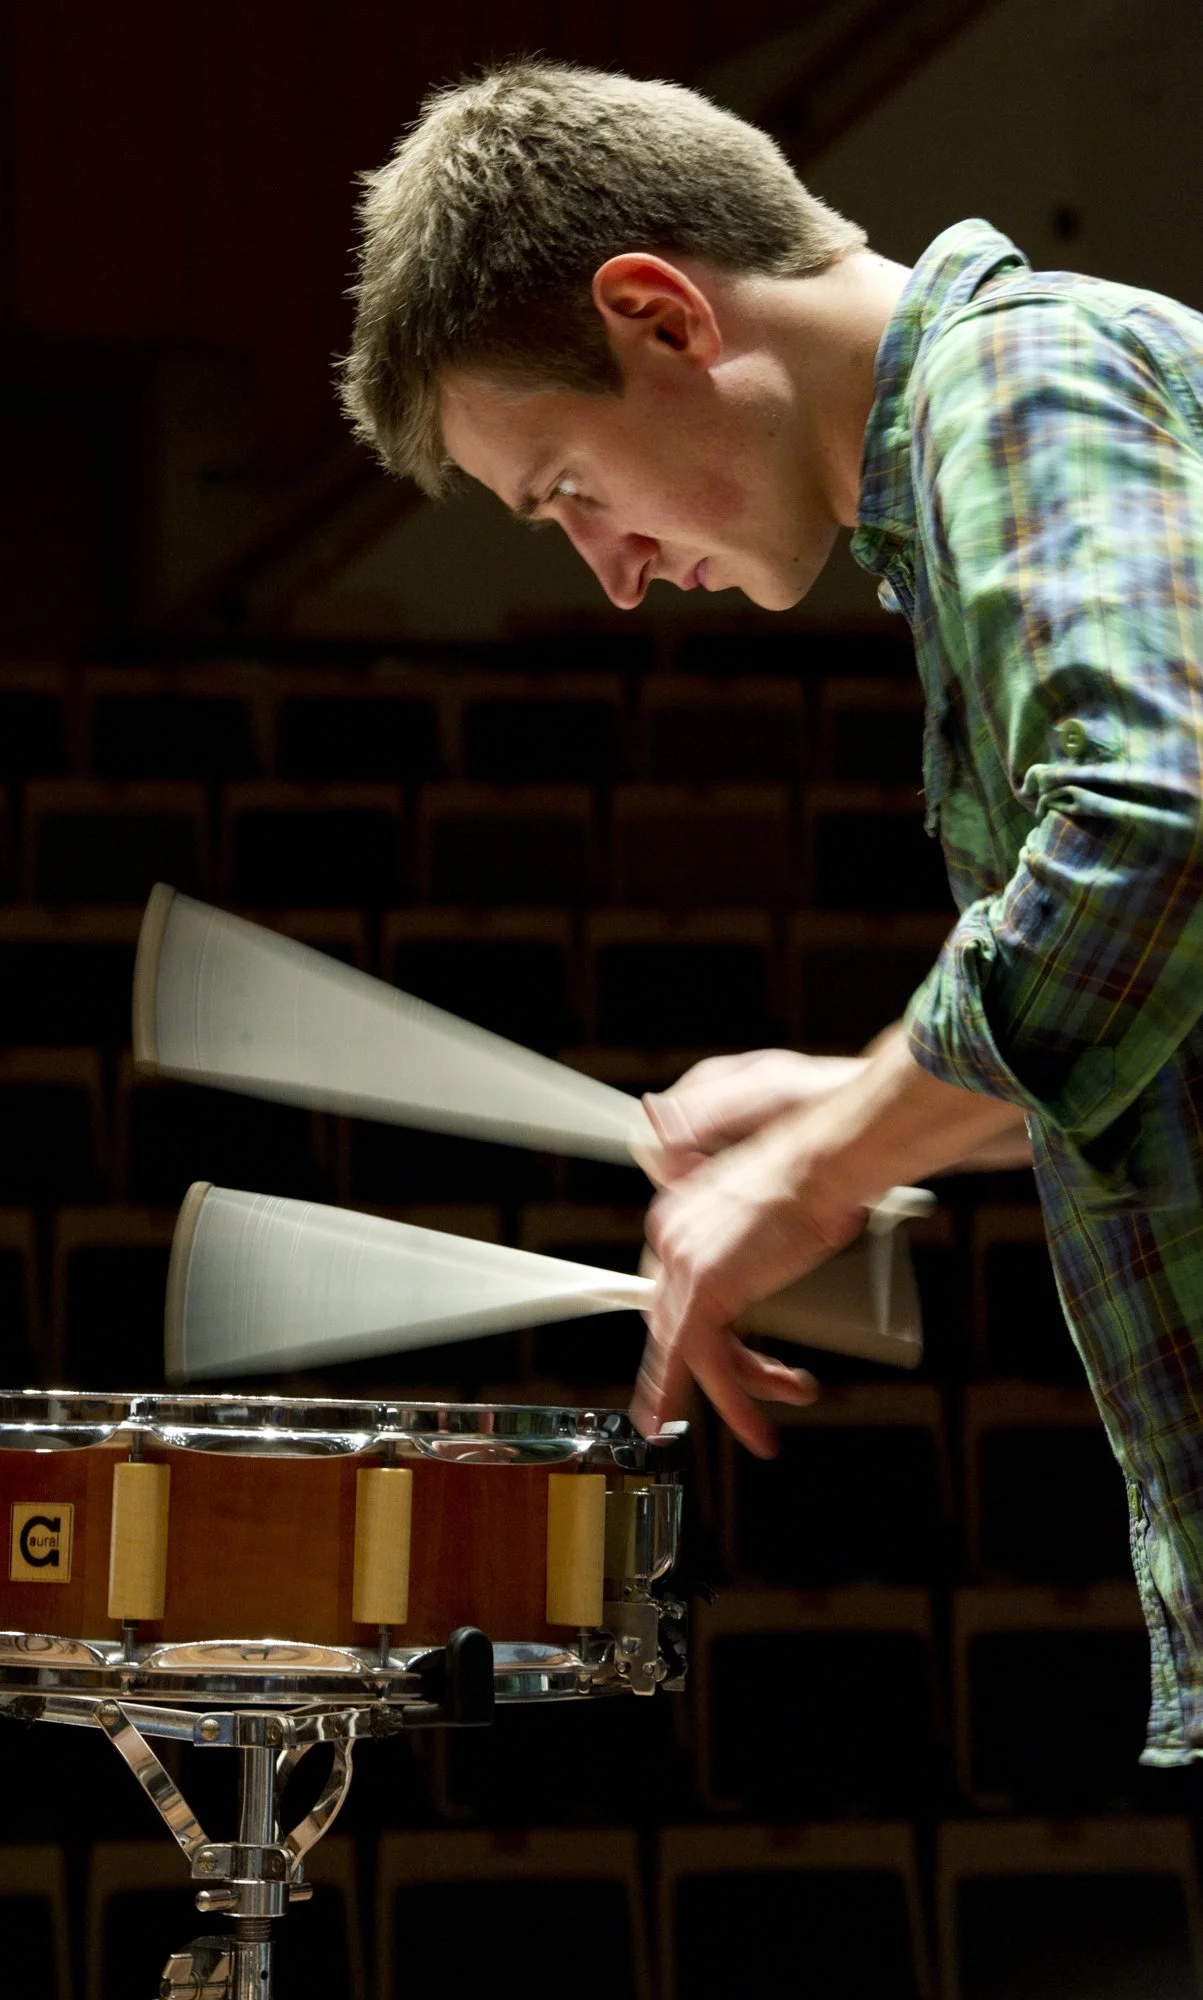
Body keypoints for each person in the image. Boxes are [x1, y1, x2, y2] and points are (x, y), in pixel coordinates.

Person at [339, 60, 1203, 1768]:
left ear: (656, 316)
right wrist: (861, 1100)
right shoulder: (990, 431)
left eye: (566, 486)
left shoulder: (1012, 382)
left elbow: (1156, 836)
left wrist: (819, 1173)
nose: (611, 569)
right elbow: (1157, 961)